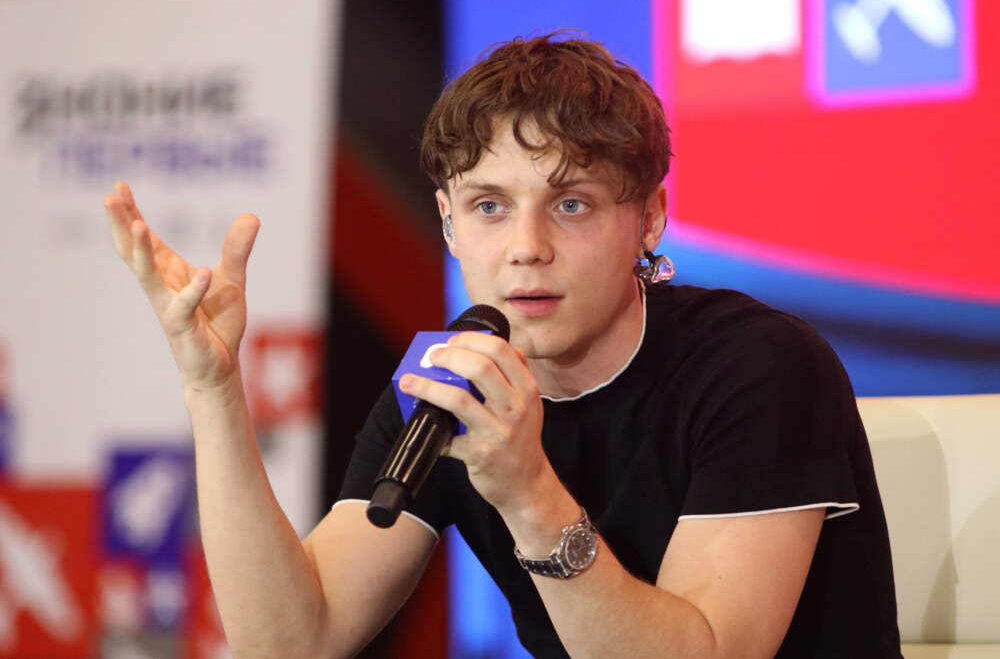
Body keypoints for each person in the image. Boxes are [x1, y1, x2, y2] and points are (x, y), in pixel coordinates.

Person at [104, 33, 902, 658]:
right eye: (489, 206)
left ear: (649, 218)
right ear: (449, 222)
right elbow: (294, 641)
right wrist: (214, 391)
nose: (526, 248)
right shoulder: (446, 383)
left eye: (571, 205)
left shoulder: (758, 366)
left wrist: (528, 493)